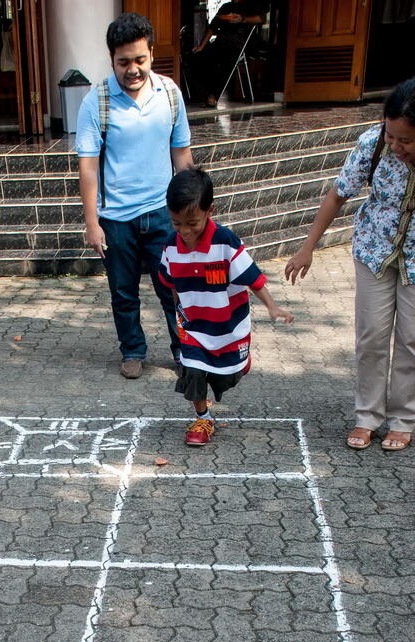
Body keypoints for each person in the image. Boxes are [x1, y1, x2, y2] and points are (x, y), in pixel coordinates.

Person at [285, 78, 415, 452]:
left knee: (411, 339)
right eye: (392, 136)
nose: (396, 146)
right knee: (372, 336)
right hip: (374, 251)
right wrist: (308, 247)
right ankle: (368, 416)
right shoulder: (372, 144)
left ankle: (404, 418)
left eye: (406, 140)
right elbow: (337, 194)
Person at [76, 12, 193, 379]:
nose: (133, 69)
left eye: (140, 60)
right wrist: (92, 222)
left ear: (152, 54)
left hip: (163, 213)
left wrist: (193, 211)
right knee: (123, 293)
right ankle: (132, 351)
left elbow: (182, 156)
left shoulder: (170, 94)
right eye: (124, 61)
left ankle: (184, 349)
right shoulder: (96, 101)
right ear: (112, 59)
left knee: (173, 289)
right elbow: (88, 166)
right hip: (117, 219)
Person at [159, 166, 293, 446]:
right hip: (194, 326)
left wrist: (273, 306)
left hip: (228, 325)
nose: (185, 231)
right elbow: (169, 281)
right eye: (177, 223)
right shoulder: (171, 245)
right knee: (192, 371)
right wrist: (178, 312)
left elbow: (253, 278)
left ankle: (240, 365)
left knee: (226, 375)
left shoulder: (225, 242)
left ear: (210, 211)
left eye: (192, 223)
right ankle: (202, 418)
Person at [192, 0, 268, 107]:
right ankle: (206, 93)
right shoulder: (226, 7)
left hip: (240, 43)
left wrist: (243, 19)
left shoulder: (250, 6)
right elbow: (212, 27)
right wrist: (201, 46)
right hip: (221, 42)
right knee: (199, 57)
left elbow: (261, 18)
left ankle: (214, 95)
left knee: (224, 59)